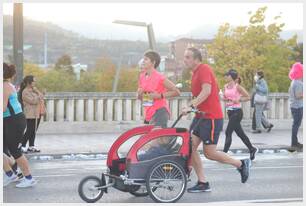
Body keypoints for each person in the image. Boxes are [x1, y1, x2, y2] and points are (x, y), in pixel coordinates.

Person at [182, 48, 251, 193]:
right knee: (189, 146)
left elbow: (206, 91)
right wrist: (193, 106)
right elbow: (200, 94)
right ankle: (202, 182)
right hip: (200, 117)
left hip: (211, 118)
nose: (185, 60)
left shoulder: (204, 69)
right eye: (185, 57)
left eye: (188, 57)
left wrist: (191, 105)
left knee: (209, 153)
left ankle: (241, 164)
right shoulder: (194, 73)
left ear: (196, 59)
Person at [3, 62, 37, 187]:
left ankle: (29, 178)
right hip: (7, 120)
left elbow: (2, 107)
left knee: (15, 151)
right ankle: (11, 174)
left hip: (14, 121)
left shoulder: (5, 86)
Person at [221, 69, 258, 160]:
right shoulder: (225, 86)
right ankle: (252, 149)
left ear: (232, 77)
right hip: (230, 112)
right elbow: (226, 98)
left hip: (237, 112)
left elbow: (248, 97)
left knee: (228, 131)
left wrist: (239, 100)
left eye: (228, 75)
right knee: (240, 134)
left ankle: (224, 154)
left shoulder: (237, 87)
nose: (226, 77)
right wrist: (222, 97)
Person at [137, 50, 180, 128]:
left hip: (160, 111)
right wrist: (139, 94)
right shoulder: (142, 76)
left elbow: (176, 92)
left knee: (158, 138)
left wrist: (159, 96)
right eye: (143, 59)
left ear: (153, 62)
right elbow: (143, 98)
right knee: (150, 138)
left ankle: (172, 137)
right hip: (148, 113)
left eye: (146, 59)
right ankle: (170, 137)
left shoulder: (160, 77)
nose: (143, 61)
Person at [18, 75, 44, 153]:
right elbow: (33, 101)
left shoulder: (34, 90)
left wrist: (38, 92)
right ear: (29, 82)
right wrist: (39, 96)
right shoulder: (25, 92)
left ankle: (31, 146)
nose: (35, 82)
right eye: (33, 81)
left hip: (37, 113)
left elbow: (41, 97)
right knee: (30, 130)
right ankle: (22, 145)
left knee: (34, 130)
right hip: (30, 114)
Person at [288, 62, 303, 149]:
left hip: (294, 106)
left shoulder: (293, 82)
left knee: (295, 125)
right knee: (296, 125)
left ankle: (295, 142)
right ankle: (294, 143)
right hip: (298, 107)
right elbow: (298, 96)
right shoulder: (298, 83)